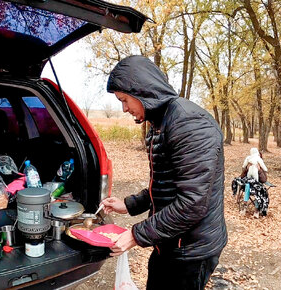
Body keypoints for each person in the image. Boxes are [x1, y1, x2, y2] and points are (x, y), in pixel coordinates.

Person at [101, 56, 227, 290]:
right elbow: (164, 185)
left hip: (191, 251)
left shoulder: (189, 122)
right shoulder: (160, 123)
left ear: (141, 91)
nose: (124, 108)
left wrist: (136, 235)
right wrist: (129, 205)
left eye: (124, 100)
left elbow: (192, 203)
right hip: (168, 241)